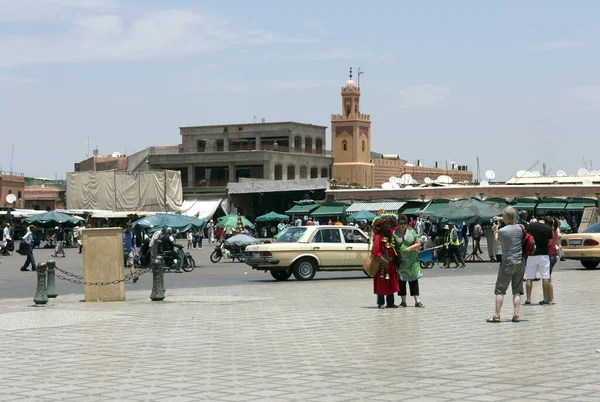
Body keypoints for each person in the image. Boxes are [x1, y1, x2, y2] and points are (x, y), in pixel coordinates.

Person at [487, 206, 525, 323]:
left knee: (500, 290)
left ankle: (497, 315)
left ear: (505, 217)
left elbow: (498, 243)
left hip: (508, 261)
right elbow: (511, 220)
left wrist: (495, 231)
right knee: (517, 290)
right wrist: (502, 217)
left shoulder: (503, 231)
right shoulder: (520, 228)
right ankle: (516, 315)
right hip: (520, 261)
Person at [394, 214, 424, 308]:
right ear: (398, 224)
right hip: (401, 262)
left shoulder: (412, 231)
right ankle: (403, 302)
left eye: (405, 223)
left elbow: (418, 243)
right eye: (401, 223)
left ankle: (417, 301)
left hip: (411, 261)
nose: (403, 225)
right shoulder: (394, 233)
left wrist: (410, 248)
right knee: (401, 282)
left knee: (413, 281)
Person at [371, 213, 400, 309]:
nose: (388, 225)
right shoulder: (378, 237)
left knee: (391, 281)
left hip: (391, 263)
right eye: (385, 224)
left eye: (388, 223)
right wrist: (383, 260)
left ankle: (390, 302)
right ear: (381, 225)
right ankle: (381, 302)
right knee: (381, 282)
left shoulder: (390, 235)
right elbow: (375, 251)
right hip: (381, 263)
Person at [525, 216, 554, 305]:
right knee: (545, 277)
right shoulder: (548, 229)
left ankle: (528, 299)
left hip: (532, 254)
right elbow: (550, 243)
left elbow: (526, 238)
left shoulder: (530, 226)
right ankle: (545, 299)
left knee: (529, 277)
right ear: (544, 220)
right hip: (544, 255)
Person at [546, 216, 559, 305]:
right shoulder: (555, 231)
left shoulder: (550, 232)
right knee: (547, 277)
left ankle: (552, 299)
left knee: (548, 278)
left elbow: (548, 244)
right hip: (553, 255)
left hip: (549, 255)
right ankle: (548, 298)